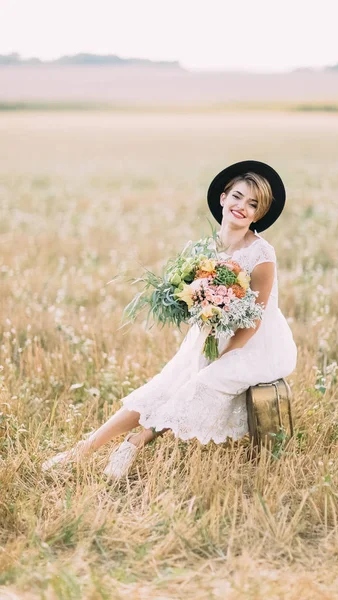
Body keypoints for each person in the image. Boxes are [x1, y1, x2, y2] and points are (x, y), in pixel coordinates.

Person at [42, 160, 297, 480]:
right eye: (237, 196)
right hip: (209, 335)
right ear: (222, 198)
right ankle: (80, 451)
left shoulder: (262, 255)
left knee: (197, 385)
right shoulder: (206, 248)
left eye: (253, 204)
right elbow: (194, 299)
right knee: (160, 388)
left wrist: (221, 358)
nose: (241, 207)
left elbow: (254, 320)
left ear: (259, 215)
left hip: (254, 344)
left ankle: (134, 443)